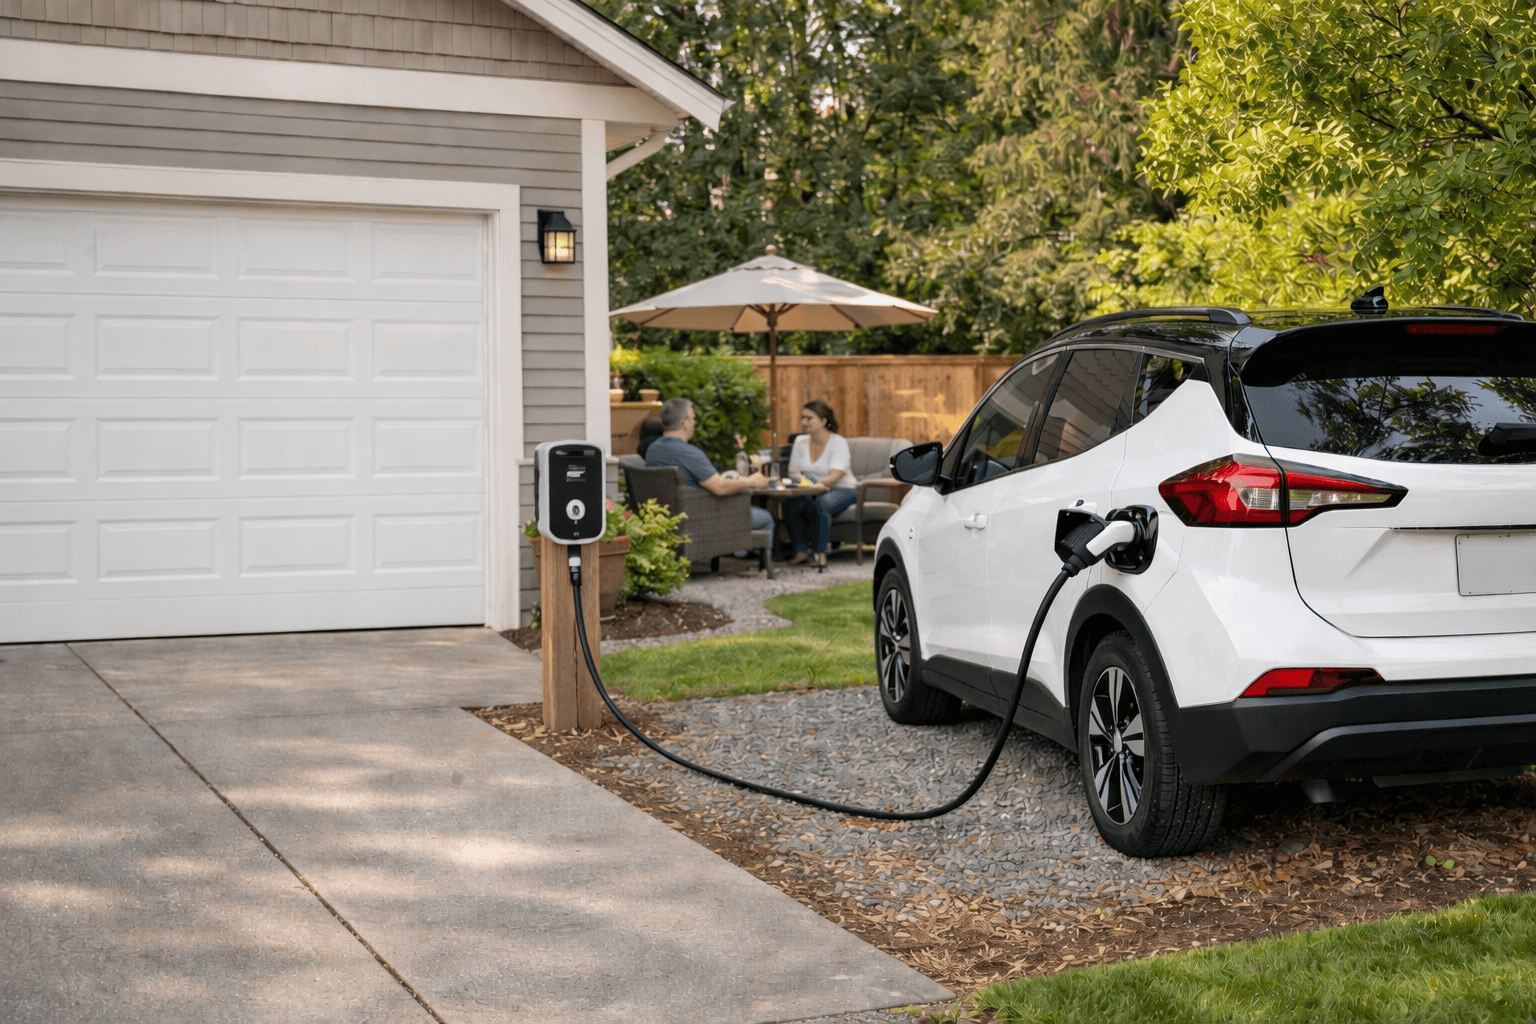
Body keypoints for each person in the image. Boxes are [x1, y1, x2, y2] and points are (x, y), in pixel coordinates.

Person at [646, 397, 775, 546]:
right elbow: (719, 488)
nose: (694, 423)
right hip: (700, 520)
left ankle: (740, 552)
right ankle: (763, 567)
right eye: (693, 419)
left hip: (664, 520)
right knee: (765, 518)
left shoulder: (652, 450)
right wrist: (751, 482)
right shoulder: (690, 453)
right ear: (684, 422)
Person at [788, 400, 858, 568]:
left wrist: (814, 485)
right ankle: (801, 551)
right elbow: (793, 472)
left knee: (823, 503)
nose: (804, 422)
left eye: (809, 418)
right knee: (790, 502)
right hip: (813, 489)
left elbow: (835, 476)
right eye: (802, 418)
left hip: (843, 489)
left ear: (823, 421)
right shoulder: (800, 441)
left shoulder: (838, 443)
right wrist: (806, 484)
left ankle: (821, 553)